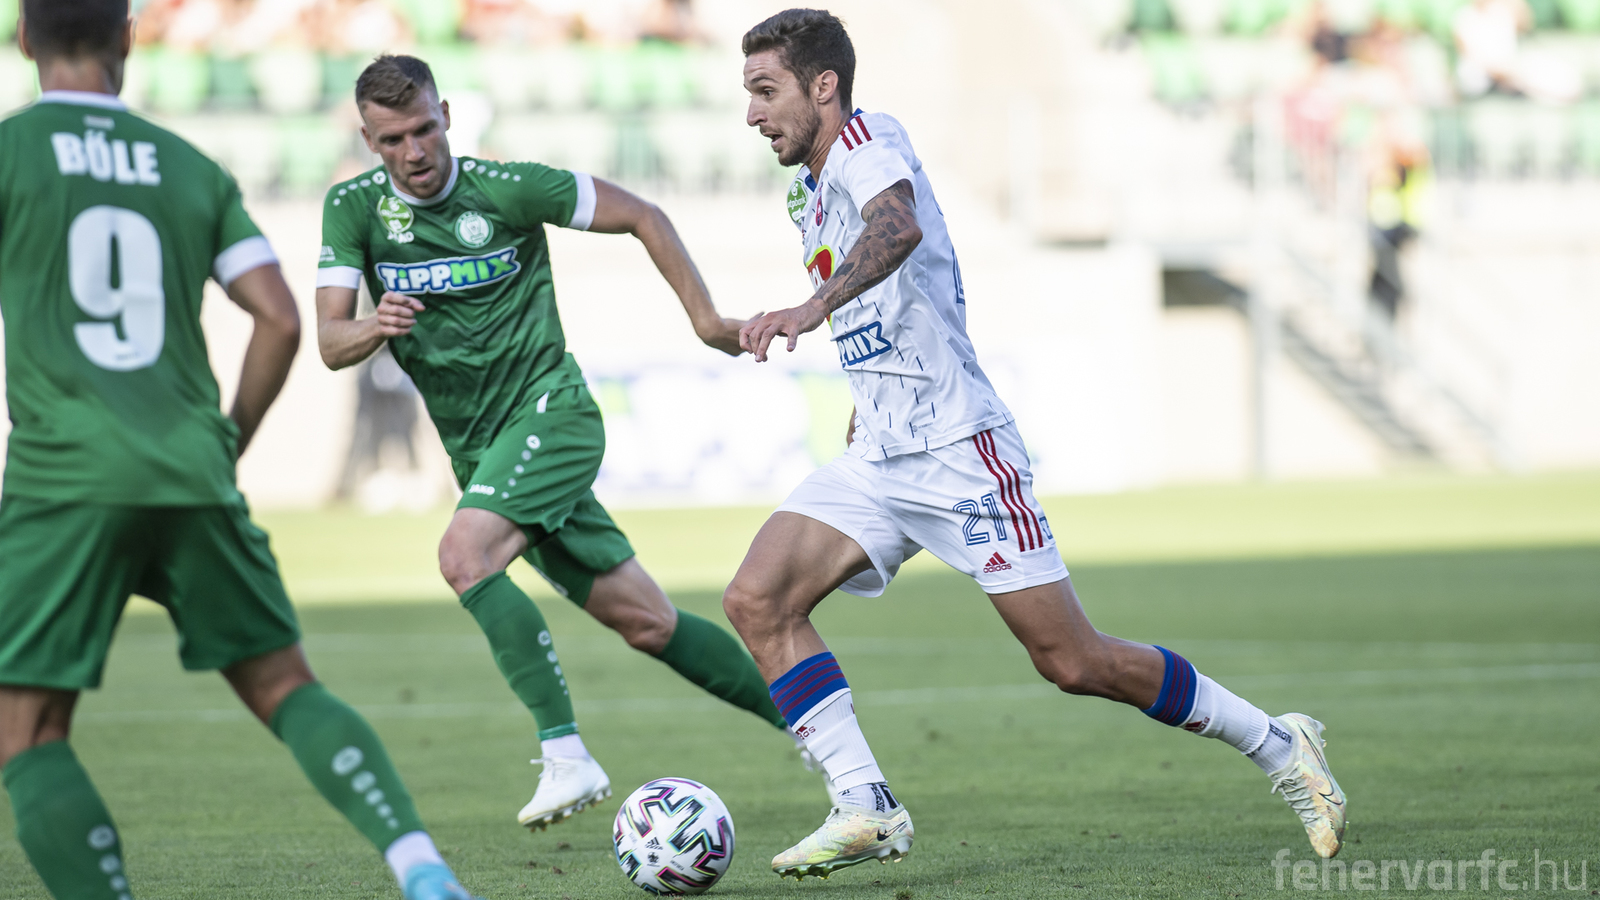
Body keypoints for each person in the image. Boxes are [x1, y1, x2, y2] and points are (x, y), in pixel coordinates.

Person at [721, 9, 1349, 880]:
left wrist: (808, 309)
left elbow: (897, 230)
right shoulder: (807, 190)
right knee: (757, 599)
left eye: (765, 91)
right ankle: (864, 803)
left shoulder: (869, 140)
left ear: (823, 85)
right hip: (881, 455)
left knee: (1073, 661)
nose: (752, 114)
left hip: (958, 451)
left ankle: (1280, 743)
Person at [0, 3, 482, 899]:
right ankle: (420, 866)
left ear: (24, 38)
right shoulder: (189, 168)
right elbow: (281, 319)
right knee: (285, 687)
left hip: (63, 473)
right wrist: (227, 444)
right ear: (128, 37)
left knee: (27, 734)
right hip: (191, 465)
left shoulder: (10, 153)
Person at [314, 54, 800, 833]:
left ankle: (565, 753)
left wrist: (708, 321)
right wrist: (374, 323)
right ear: (369, 141)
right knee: (648, 622)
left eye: (425, 129)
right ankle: (819, 733)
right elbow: (330, 342)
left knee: (465, 557)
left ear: (447, 117)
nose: (415, 150)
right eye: (394, 139)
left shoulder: (509, 188)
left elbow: (644, 214)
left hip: (552, 413)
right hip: (483, 453)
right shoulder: (353, 210)